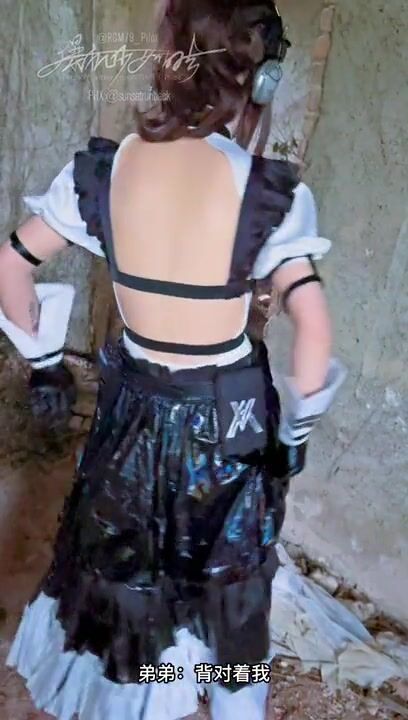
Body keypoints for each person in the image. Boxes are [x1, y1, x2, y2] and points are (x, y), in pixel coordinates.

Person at [0, 1, 346, 718]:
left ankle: (149, 697)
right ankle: (230, 702)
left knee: (132, 585)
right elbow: (313, 328)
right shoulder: (269, 195)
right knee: (229, 593)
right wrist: (294, 436)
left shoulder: (103, 172)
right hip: (228, 430)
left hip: (129, 423)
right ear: (261, 76)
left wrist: (44, 361)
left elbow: (10, 266)